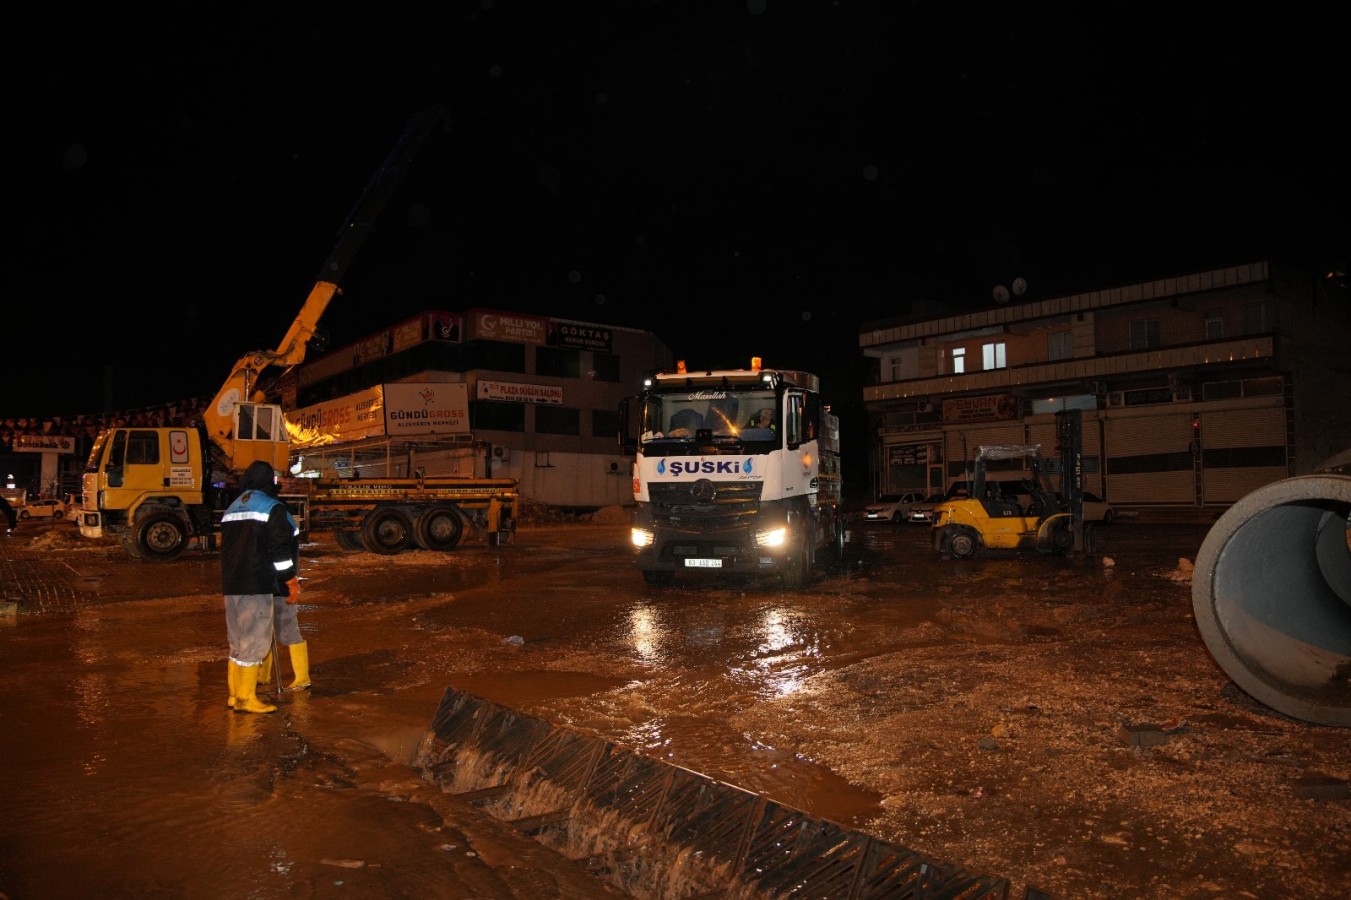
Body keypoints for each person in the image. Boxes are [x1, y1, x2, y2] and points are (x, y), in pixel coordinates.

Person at [220, 460, 306, 714]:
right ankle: (247, 699)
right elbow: (280, 553)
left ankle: (235, 696)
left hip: (231, 583)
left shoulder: (232, 508)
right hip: (256, 583)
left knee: (237, 642)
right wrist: (290, 579)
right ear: (270, 481)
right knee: (255, 640)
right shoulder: (273, 508)